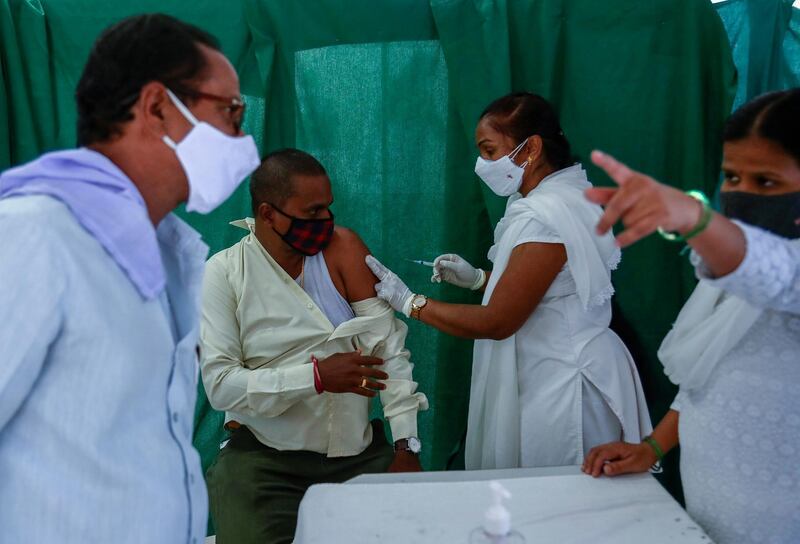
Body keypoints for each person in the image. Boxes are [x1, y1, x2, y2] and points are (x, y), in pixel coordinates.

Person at [0, 14, 260, 544]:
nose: (242, 135)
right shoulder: (34, 236)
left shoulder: (160, 253)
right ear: (159, 107)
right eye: (232, 111)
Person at [366, 92, 651, 470]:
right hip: (563, 368)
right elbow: (550, 289)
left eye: (489, 150)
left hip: (565, 385)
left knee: (559, 506)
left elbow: (499, 321)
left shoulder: (545, 216)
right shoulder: (570, 194)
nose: (481, 165)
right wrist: (479, 280)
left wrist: (410, 303)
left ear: (530, 148)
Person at [582, 89, 800, 544]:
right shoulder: (728, 278)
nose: (741, 194)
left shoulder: (762, 266)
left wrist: (695, 219)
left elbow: (774, 272)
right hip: (710, 498)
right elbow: (705, 378)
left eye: (766, 183)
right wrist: (652, 448)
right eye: (732, 177)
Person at [200, 148, 429, 544]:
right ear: (268, 214)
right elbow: (221, 385)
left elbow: (388, 349)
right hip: (262, 459)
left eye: (328, 209)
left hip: (356, 455)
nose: (325, 221)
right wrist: (317, 377)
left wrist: (406, 444)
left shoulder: (343, 249)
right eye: (312, 213)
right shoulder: (223, 273)